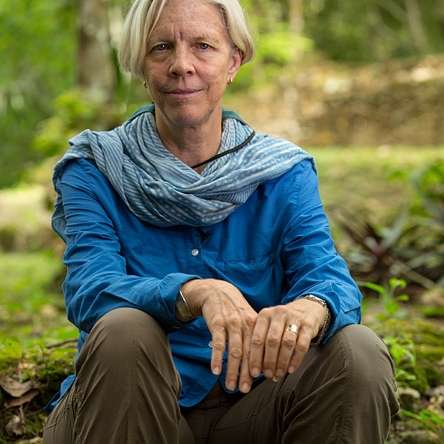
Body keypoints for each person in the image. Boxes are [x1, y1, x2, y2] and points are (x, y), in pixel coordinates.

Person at [42, 0, 399, 442]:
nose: (181, 65)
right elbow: (90, 289)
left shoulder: (282, 171)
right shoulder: (95, 167)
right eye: (161, 48)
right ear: (140, 64)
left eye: (204, 46)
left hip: (250, 410)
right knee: (123, 328)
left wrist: (312, 307)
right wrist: (192, 292)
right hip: (124, 408)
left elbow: (329, 278)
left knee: (357, 350)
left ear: (235, 61)